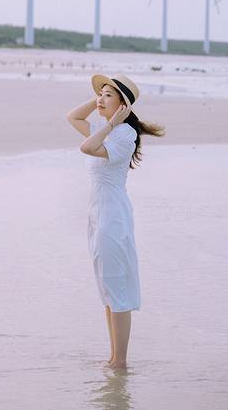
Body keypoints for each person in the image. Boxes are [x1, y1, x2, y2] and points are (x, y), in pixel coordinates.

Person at [66, 73, 165, 370]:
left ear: (123, 105)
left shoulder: (123, 135)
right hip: (98, 216)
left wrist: (113, 121)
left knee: (117, 289)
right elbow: (72, 117)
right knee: (108, 288)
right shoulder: (105, 130)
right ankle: (113, 358)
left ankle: (120, 362)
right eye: (101, 94)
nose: (100, 99)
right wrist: (99, 98)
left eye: (109, 95)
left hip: (113, 217)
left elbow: (86, 148)